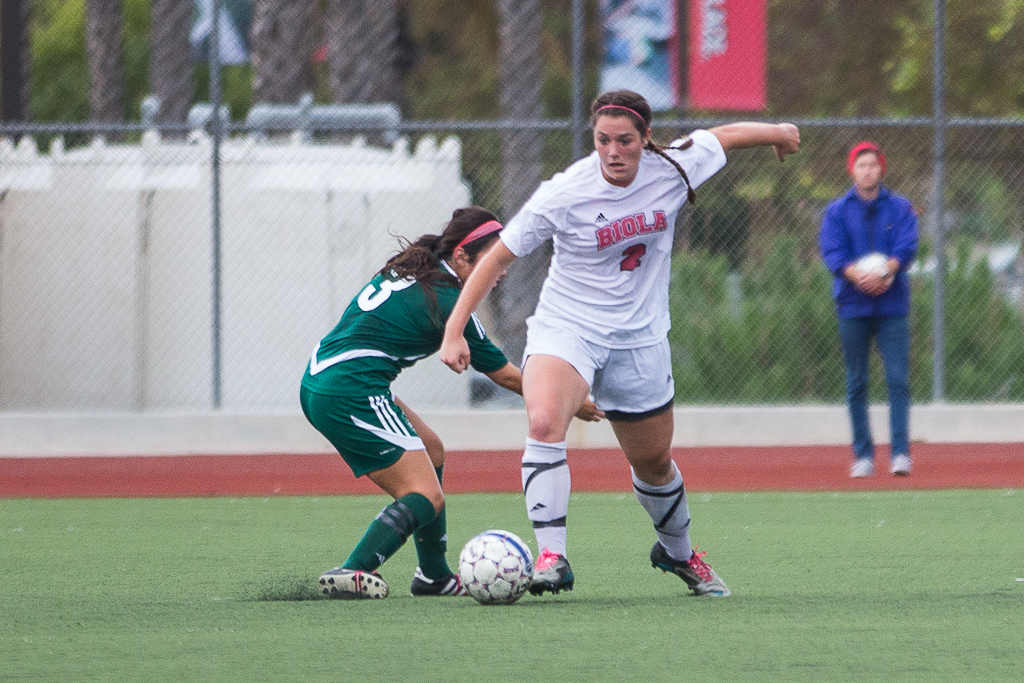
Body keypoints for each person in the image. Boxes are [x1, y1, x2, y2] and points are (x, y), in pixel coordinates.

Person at [439, 90, 800, 598]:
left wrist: (780, 135)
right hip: (569, 326)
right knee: (544, 422)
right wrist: (455, 328)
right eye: (603, 140)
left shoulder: (673, 169)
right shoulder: (565, 192)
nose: (613, 151)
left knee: (653, 462)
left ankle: (677, 552)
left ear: (646, 139)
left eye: (625, 141)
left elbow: (725, 136)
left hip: (639, 338)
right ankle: (551, 556)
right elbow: (498, 257)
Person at [300, 206, 605, 599]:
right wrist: (570, 401)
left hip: (326, 377)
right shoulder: (447, 300)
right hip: (349, 388)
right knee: (425, 495)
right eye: (494, 260)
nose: (503, 269)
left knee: (432, 449)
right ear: (461, 257)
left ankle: (433, 576)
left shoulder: (417, 272)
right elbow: (506, 374)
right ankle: (354, 569)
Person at [819, 142, 919, 479]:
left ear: (881, 168)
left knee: (897, 380)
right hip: (853, 305)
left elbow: (907, 246)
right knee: (857, 381)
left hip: (892, 306)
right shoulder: (837, 211)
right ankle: (863, 455)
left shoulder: (901, 207)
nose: (868, 171)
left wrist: (887, 271)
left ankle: (901, 453)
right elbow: (832, 252)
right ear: (852, 170)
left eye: (873, 165)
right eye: (861, 165)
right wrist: (858, 276)